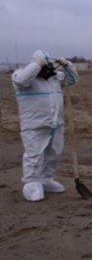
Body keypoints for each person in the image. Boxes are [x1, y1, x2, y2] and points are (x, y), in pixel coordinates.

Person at [11, 50, 79, 202]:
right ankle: (31, 183)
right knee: (34, 155)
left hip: (55, 123)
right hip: (34, 125)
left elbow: (73, 79)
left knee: (54, 153)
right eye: (43, 66)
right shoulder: (21, 78)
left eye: (48, 66)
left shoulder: (55, 79)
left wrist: (68, 65)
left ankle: (46, 178)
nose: (46, 70)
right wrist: (37, 63)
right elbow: (22, 80)